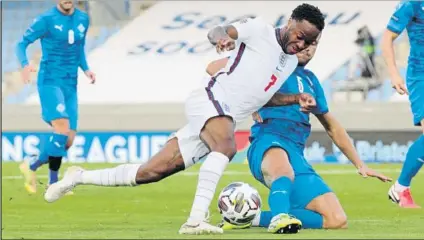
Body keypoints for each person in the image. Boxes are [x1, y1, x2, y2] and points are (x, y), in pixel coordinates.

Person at [44, 4, 325, 235]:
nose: (300, 44)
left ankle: (78, 177)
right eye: (299, 35)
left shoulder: (288, 62)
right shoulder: (258, 29)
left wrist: (294, 99)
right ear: (290, 22)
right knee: (227, 146)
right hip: (210, 98)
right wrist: (223, 39)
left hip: (220, 115)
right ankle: (194, 220)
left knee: (150, 172)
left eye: (308, 41)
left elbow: (263, 96)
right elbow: (219, 30)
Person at [209, 37, 392, 233]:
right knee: (283, 171)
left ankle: (252, 218)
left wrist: (360, 164)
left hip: (296, 154)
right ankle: (280, 218)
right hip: (267, 140)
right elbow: (214, 67)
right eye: (306, 42)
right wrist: (249, 97)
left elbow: (333, 127)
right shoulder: (269, 65)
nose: (308, 48)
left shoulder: (311, 81)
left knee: (336, 219)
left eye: (314, 44)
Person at [15, 0, 95, 194]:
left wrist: (86, 69)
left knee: (68, 140)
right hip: (50, 81)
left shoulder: (83, 19)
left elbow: (79, 49)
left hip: (70, 84)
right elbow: (21, 43)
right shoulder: (46, 19)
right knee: (62, 128)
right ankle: (54, 184)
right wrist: (25, 65)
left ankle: (31, 165)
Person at [382, 0, 423, 208]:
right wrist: (394, 74)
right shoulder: (413, 3)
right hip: (421, 76)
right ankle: (400, 187)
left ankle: (401, 188)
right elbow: (388, 37)